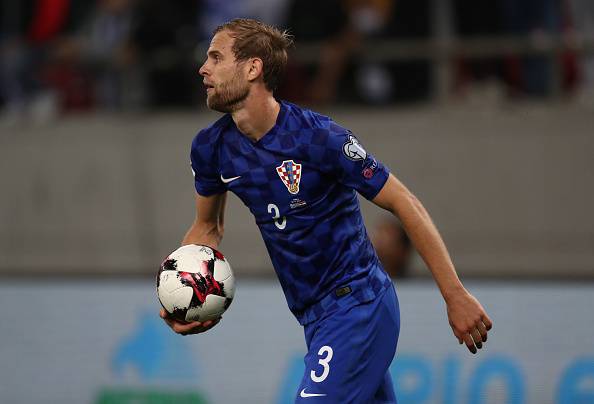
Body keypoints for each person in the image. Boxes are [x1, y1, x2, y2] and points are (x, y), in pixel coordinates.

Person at [159, 18, 493, 403]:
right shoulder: (211, 148)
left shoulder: (319, 139)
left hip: (359, 306)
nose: (203, 68)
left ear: (253, 68)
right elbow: (207, 228)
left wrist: (454, 294)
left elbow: (405, 202)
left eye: (216, 57)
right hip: (313, 319)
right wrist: (185, 296)